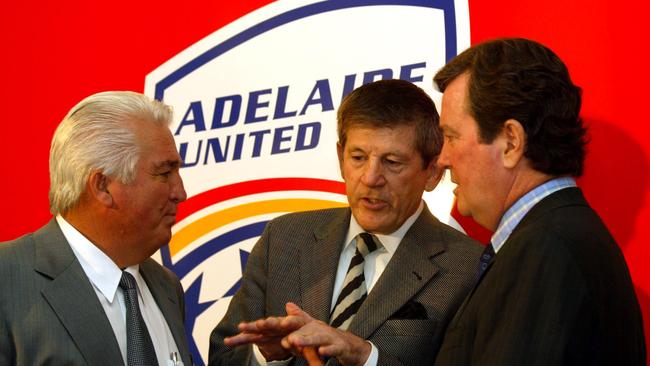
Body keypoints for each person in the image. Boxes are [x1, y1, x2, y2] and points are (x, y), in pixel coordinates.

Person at [208, 79, 482, 366]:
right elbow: (223, 357)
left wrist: (366, 357)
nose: (370, 178)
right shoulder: (284, 239)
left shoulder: (467, 268)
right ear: (341, 158)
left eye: (392, 162)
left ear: (432, 172)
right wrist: (266, 355)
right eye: (358, 158)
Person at [432, 38, 646, 365]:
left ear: (511, 142)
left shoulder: (545, 249)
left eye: (452, 137)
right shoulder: (552, 239)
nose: (443, 158)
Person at [0, 91, 192, 365]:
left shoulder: (166, 287)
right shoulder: (7, 279)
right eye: (164, 173)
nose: (180, 192)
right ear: (103, 186)